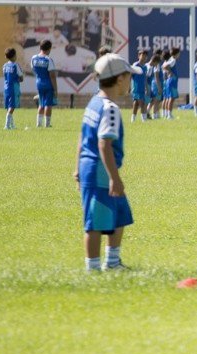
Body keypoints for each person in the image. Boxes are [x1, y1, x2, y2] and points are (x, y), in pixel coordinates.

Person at [74, 53, 142, 271]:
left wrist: (77, 168)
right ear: (120, 79)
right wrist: (114, 178)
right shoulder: (109, 109)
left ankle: (112, 262)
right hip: (100, 171)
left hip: (91, 167)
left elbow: (81, 137)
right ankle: (92, 268)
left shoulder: (94, 102)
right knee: (95, 222)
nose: (131, 80)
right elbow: (104, 144)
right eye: (129, 76)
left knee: (120, 215)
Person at [31, 40, 57, 128]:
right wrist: (56, 89)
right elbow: (52, 76)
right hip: (48, 83)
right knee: (48, 104)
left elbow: (33, 70)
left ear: (40, 47)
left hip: (39, 82)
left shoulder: (34, 58)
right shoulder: (48, 59)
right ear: (49, 49)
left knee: (41, 103)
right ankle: (47, 124)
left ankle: (39, 123)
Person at [3, 47, 24, 130]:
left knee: (9, 106)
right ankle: (7, 125)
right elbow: (21, 78)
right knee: (12, 106)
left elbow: (5, 76)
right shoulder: (16, 65)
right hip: (14, 87)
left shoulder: (4, 65)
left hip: (6, 87)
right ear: (15, 55)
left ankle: (12, 125)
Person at [129, 49, 149, 122]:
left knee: (136, 103)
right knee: (142, 103)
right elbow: (130, 75)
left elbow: (145, 78)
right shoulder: (135, 65)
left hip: (142, 87)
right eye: (142, 55)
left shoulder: (145, 67)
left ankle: (133, 118)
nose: (144, 57)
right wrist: (129, 86)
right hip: (136, 87)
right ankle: (144, 119)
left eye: (145, 56)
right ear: (139, 56)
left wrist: (146, 87)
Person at [161, 47, 180, 119]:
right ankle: (169, 115)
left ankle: (166, 114)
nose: (179, 55)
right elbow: (165, 67)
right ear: (176, 53)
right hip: (172, 80)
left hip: (169, 80)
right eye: (178, 53)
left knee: (168, 98)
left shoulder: (169, 60)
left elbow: (163, 66)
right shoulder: (173, 60)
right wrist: (170, 72)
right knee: (171, 98)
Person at [147, 51, 163, 120]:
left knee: (153, 100)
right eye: (161, 55)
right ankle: (155, 115)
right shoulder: (157, 65)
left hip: (155, 84)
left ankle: (148, 112)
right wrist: (159, 87)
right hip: (156, 84)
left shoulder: (156, 64)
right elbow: (156, 76)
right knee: (157, 100)